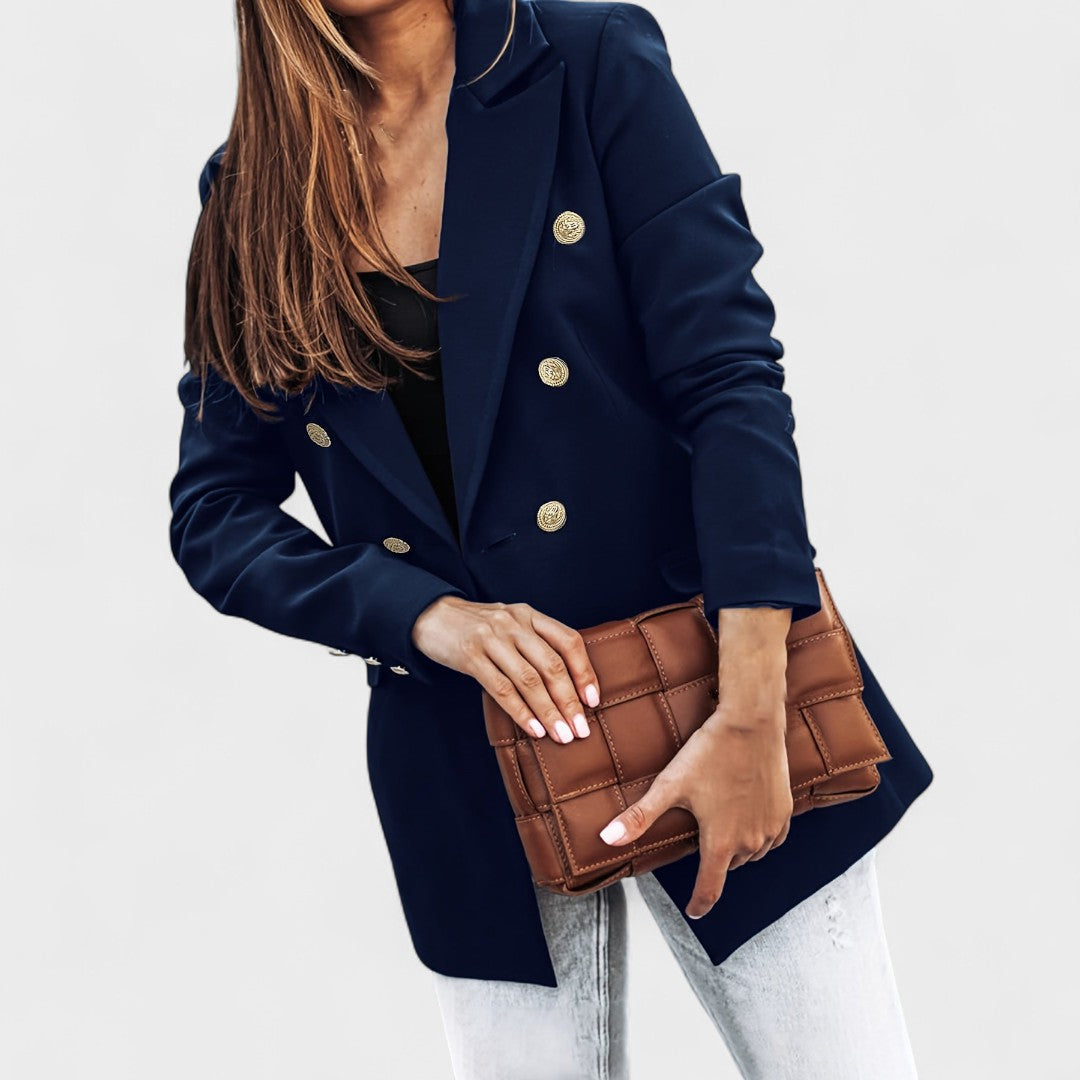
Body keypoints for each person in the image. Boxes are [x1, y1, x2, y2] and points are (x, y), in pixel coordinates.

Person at [169, 0, 935, 1076]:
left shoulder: (587, 60)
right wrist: (423, 616)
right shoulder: (253, 189)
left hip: (705, 682)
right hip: (463, 751)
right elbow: (215, 511)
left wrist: (753, 711)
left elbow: (729, 380)